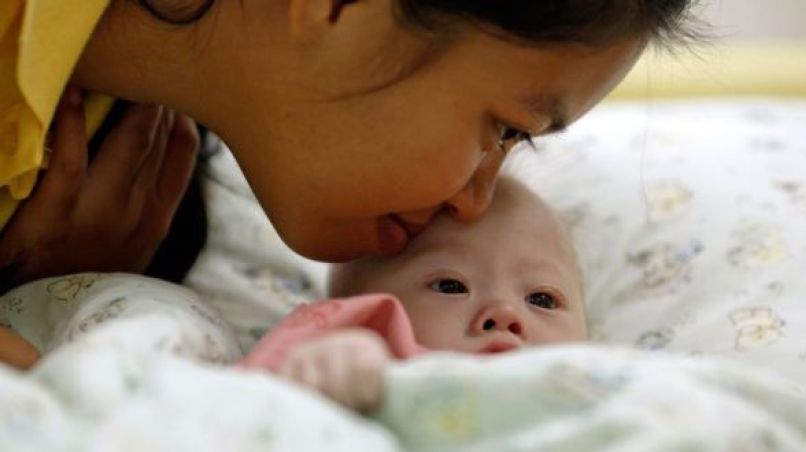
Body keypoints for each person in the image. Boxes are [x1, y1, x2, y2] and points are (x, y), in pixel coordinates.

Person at [0, 1, 696, 367]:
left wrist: (55, 291)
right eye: (505, 130)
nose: (475, 201)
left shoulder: (117, 179)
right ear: (340, 6)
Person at [241, 177, 586, 413]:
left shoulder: (594, 383)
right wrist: (326, 364)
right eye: (451, 286)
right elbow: (248, 410)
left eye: (543, 299)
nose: (504, 313)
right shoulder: (367, 355)